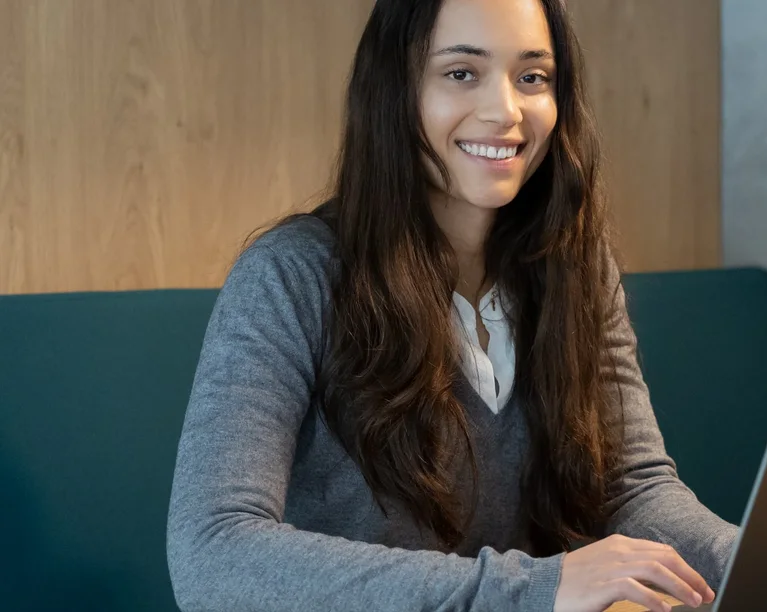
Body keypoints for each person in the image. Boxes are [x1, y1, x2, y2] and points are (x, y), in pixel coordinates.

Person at [164, 1, 736, 610]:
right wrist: (535, 589)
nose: (505, 111)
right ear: (396, 90)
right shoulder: (290, 275)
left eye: (532, 77)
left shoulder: (578, 266)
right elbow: (213, 551)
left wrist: (764, 557)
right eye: (461, 73)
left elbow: (633, 490)